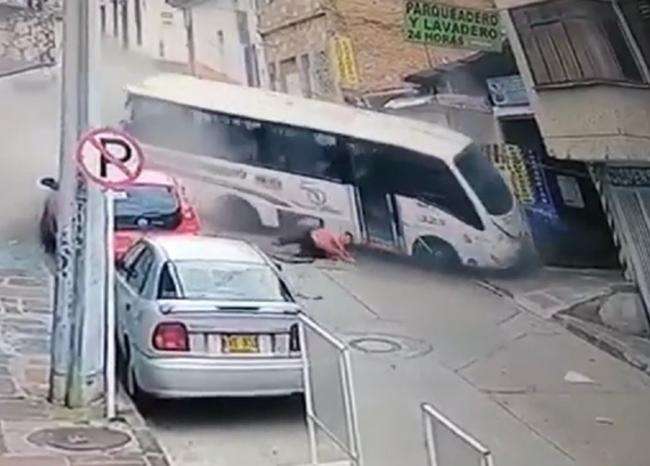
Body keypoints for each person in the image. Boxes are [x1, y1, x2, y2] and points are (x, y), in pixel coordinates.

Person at [276, 226, 355, 263]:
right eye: (346, 237)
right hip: (313, 237)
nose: (345, 240)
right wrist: (344, 255)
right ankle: (281, 242)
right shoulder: (336, 237)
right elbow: (337, 248)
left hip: (316, 246)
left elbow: (337, 253)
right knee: (299, 239)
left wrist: (345, 256)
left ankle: (291, 255)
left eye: (347, 240)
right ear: (343, 234)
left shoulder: (339, 248)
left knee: (308, 253)